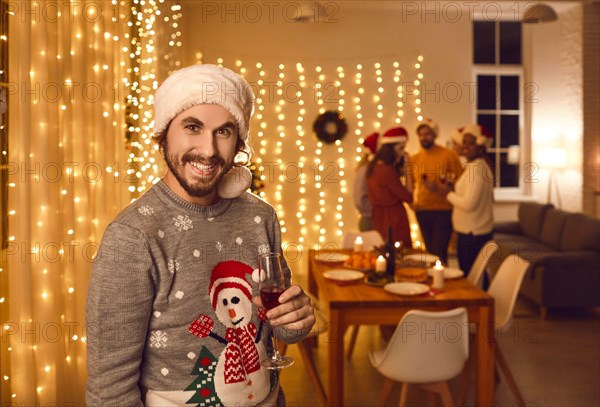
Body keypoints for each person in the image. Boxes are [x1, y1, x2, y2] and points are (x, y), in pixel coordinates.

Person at [86, 64, 316, 407]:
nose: (208, 150)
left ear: (238, 141)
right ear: (164, 134)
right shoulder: (132, 236)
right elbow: (111, 388)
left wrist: (296, 318)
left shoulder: (259, 216)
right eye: (192, 127)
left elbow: (280, 328)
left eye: (223, 132)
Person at [437, 124, 495, 276]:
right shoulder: (476, 166)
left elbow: (469, 204)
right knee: (478, 275)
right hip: (473, 232)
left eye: (470, 143)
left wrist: (447, 193)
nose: (465, 146)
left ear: (480, 146)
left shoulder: (476, 170)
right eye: (464, 142)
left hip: (472, 234)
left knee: (472, 276)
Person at [410, 119, 463, 264]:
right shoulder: (414, 158)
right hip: (422, 210)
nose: (423, 138)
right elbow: (410, 184)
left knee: (440, 252)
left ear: (434, 135)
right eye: (420, 135)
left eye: (427, 134)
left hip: (443, 211)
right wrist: (411, 203)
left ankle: (442, 282)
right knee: (429, 252)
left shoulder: (448, 155)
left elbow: (460, 184)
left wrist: (440, 188)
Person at [366, 127, 413, 247]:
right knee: (399, 255)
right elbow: (408, 196)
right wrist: (407, 171)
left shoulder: (372, 166)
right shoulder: (387, 170)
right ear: (390, 149)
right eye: (400, 148)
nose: (403, 152)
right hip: (393, 218)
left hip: (378, 216)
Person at [353, 132, 378, 231]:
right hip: (369, 220)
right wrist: (374, 210)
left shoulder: (372, 169)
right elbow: (360, 198)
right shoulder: (365, 170)